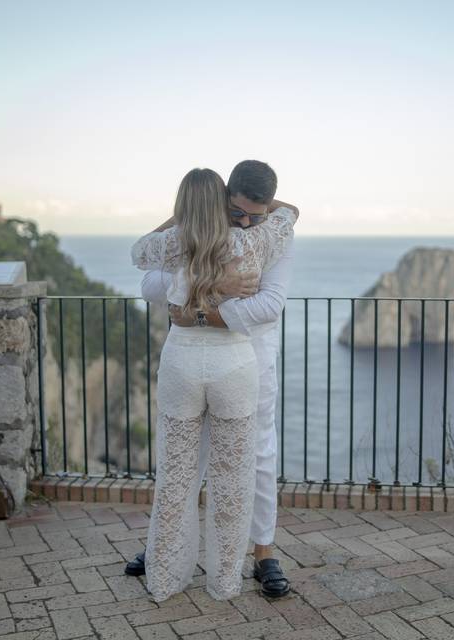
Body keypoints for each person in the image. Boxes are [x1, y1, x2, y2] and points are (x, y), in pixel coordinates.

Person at [125, 160, 293, 598]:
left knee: (256, 455)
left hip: (252, 356)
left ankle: (263, 551)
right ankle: (169, 549)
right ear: (222, 202)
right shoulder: (209, 233)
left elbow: (269, 304)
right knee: (186, 460)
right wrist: (208, 272)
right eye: (235, 213)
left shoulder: (271, 233)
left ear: (269, 207)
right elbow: (148, 284)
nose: (243, 222)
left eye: (254, 216)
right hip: (201, 355)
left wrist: (201, 311)